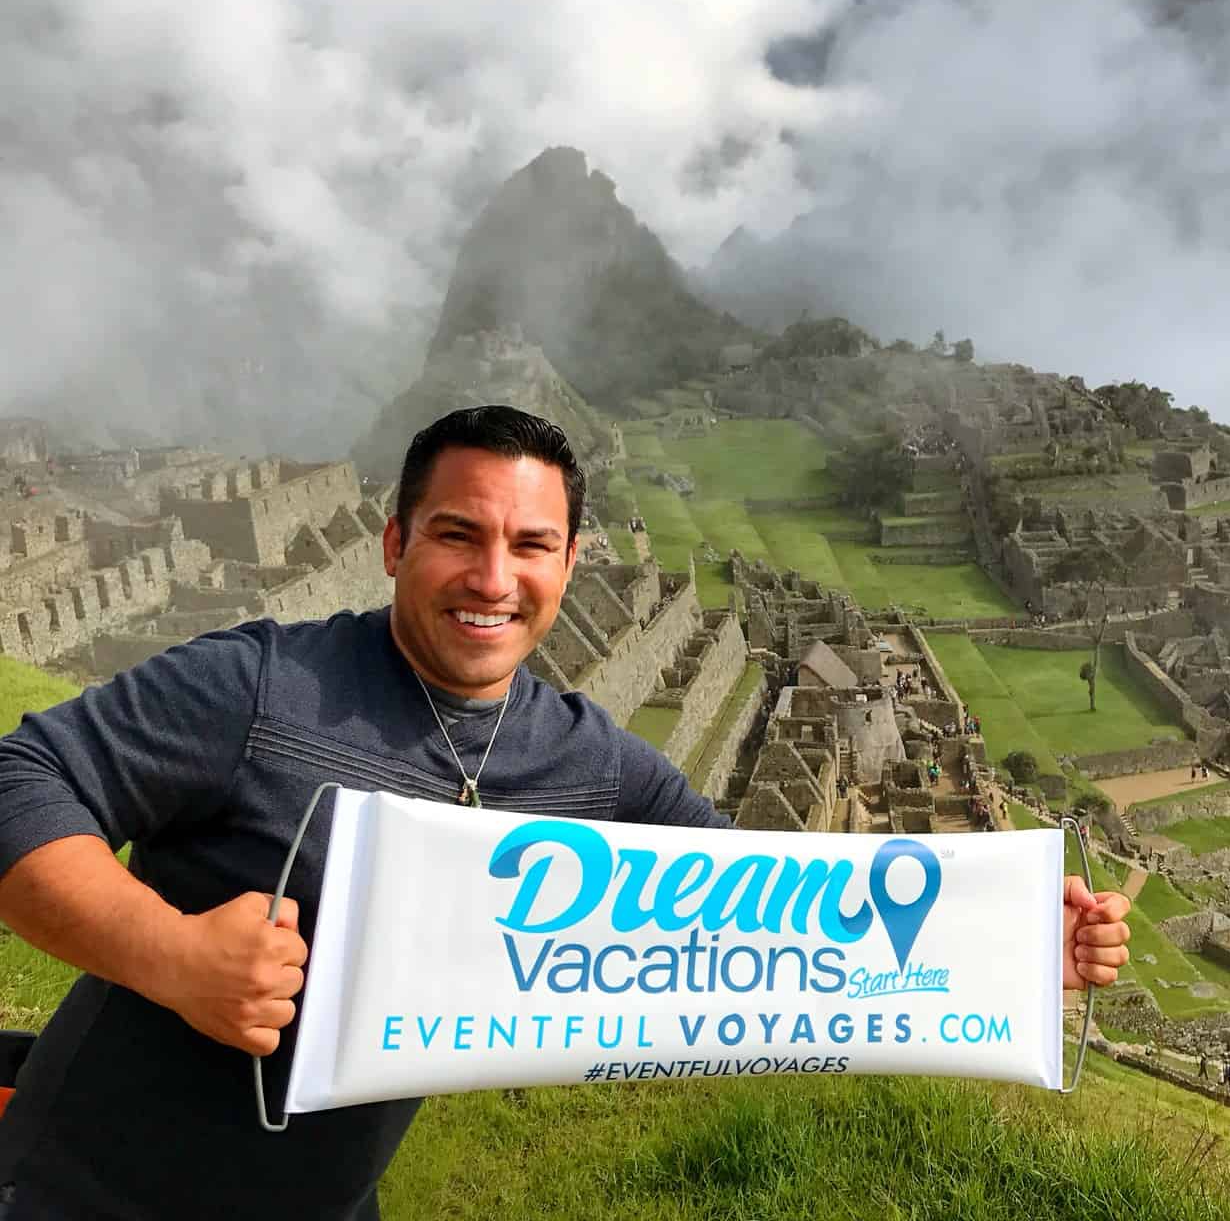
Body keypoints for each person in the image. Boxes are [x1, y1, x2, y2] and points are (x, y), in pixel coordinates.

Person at [0, 405, 1133, 1220]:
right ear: (396, 543)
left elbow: (790, 914)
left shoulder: (591, 768)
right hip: (86, 1186)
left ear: (570, 563)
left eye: (531, 545)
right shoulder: (259, 688)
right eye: (458, 534)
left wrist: (1012, 943)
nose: (494, 576)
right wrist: (176, 956)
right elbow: (22, 779)